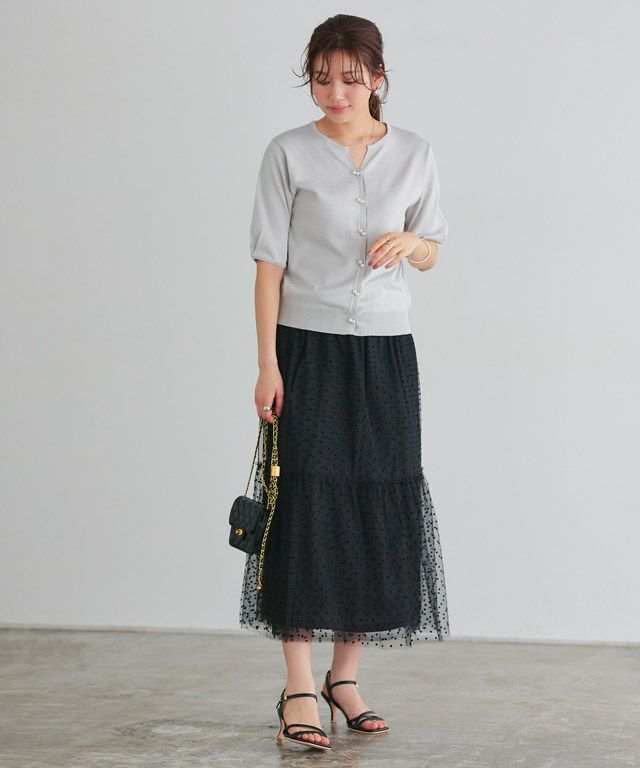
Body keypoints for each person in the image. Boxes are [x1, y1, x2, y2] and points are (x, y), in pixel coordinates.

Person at [239, 13, 451, 752]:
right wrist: (267, 362)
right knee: (301, 506)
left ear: (377, 79)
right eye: (322, 79)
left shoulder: (415, 153)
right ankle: (299, 682)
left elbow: (433, 249)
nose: (335, 93)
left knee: (373, 504)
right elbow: (268, 265)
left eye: (351, 80)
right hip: (307, 350)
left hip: (387, 352)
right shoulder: (288, 153)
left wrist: (413, 243)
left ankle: (345, 677)